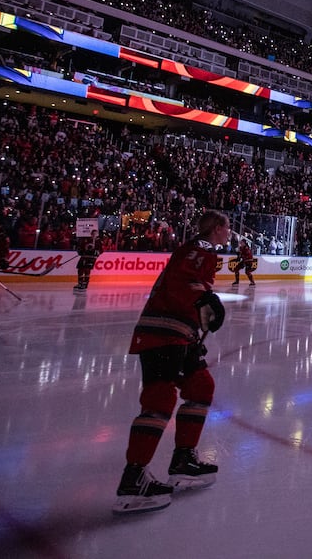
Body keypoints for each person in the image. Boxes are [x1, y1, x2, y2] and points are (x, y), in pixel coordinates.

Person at [114, 210, 230, 515]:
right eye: (227, 227)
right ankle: (134, 478)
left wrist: (203, 307)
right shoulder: (200, 249)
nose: (229, 233)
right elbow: (184, 282)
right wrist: (206, 300)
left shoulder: (201, 251)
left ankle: (183, 460)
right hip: (163, 332)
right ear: (217, 228)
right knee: (160, 398)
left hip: (180, 334)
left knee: (201, 387)